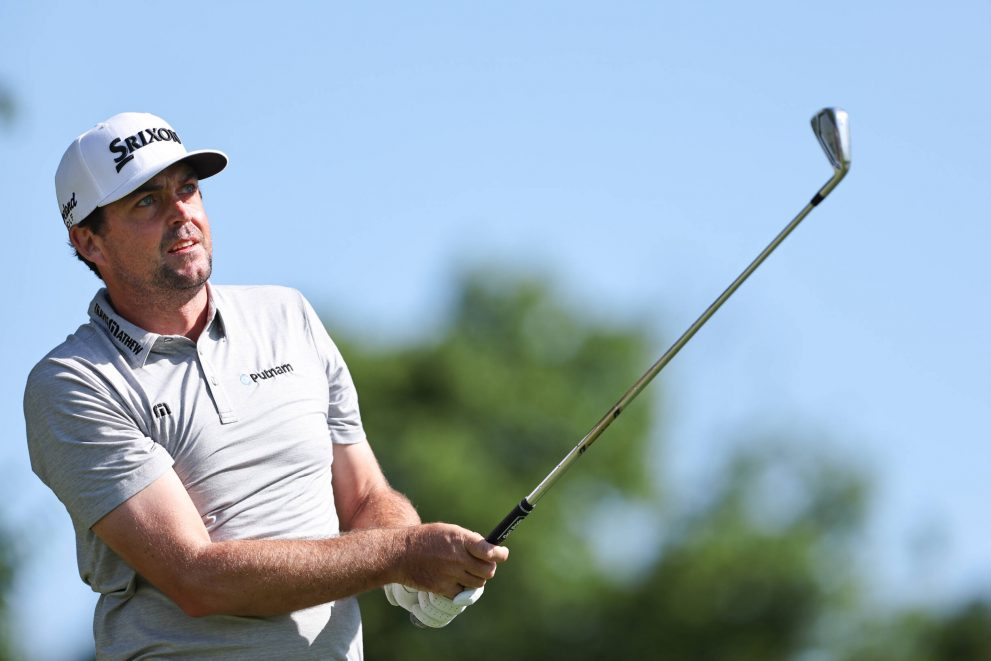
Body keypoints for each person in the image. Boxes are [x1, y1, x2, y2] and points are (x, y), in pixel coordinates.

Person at [24, 112, 509, 660]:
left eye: (188, 189)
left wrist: (412, 581)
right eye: (146, 201)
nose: (182, 213)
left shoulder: (288, 315)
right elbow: (197, 579)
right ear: (89, 242)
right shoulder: (74, 383)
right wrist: (398, 555)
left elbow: (365, 494)